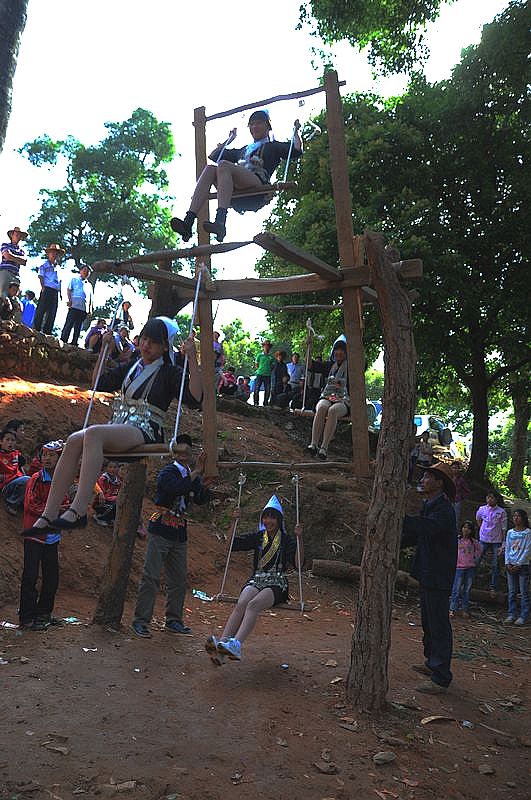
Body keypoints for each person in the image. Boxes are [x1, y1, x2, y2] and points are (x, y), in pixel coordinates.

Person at [22, 316, 202, 537]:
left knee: (94, 433)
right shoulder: (132, 366)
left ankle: (78, 510)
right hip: (121, 426)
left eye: (153, 342)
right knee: (74, 440)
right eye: (144, 339)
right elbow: (98, 382)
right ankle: (48, 514)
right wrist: (105, 349)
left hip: (146, 431)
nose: (145, 345)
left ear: (165, 347)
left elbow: (195, 397)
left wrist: (192, 357)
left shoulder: (169, 372)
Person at [171, 110, 302, 243]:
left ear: (267, 126)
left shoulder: (273, 146)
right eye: (251, 124)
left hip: (258, 189)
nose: (254, 127)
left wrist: (296, 132)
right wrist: (229, 140)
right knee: (210, 169)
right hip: (235, 194)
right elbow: (215, 155)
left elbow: (296, 150)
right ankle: (188, 222)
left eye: (258, 123)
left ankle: (220, 221)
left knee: (224, 165)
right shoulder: (243, 150)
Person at [205, 495, 303, 664]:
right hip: (257, 579)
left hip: (277, 583)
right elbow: (230, 546)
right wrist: (234, 522)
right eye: (266, 517)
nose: (268, 521)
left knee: (253, 605)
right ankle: (222, 646)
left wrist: (300, 538)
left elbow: (299, 565)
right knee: (242, 603)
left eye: (272, 517)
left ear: (279, 520)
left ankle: (236, 644)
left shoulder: (287, 540)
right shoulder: (258, 537)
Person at [132, 435, 212, 638]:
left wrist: (206, 484)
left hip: (179, 532)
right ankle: (141, 621)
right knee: (150, 576)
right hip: (161, 529)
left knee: (178, 579)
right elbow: (176, 488)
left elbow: (200, 499)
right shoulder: (168, 472)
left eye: (188, 450)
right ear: (175, 452)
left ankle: (174, 619)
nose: (185, 454)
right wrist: (196, 474)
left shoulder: (189, 474)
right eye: (181, 450)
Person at [401, 462, 457, 693]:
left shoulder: (443, 510)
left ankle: (441, 677)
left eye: (427, 476)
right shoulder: (430, 506)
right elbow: (418, 535)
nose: (422, 480)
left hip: (438, 575)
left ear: (439, 483)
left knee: (438, 623)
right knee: (428, 621)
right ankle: (432, 662)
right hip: (428, 572)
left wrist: (398, 516)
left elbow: (426, 528)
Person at [19, 441, 69, 631]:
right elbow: (31, 505)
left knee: (51, 577)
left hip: (52, 536)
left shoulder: (61, 480)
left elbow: (65, 503)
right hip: (34, 534)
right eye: (45, 455)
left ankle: (43, 613)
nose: (47, 458)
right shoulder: (35, 479)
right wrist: (54, 511)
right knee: (30, 576)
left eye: (52, 455)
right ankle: (26, 617)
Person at [307, 339, 350, 460]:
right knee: (321, 407)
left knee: (333, 411)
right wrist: (309, 348)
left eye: (342, 352)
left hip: (344, 400)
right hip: (327, 396)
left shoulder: (352, 368)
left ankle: (324, 448)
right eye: (336, 352)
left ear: (346, 353)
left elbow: (363, 363)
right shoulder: (330, 365)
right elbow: (310, 365)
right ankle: (313, 444)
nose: (339, 355)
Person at [476, 491, 507, 596]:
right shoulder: (482, 509)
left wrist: (503, 542)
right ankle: (472, 581)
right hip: (483, 538)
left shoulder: (501, 512)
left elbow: (503, 528)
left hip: (496, 540)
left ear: (496, 499)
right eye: (488, 497)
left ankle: (493, 587)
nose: (490, 500)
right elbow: (478, 520)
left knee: (495, 564)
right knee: (476, 560)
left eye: (492, 498)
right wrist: (482, 530)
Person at [503, 509, 531, 626]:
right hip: (511, 564)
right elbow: (508, 548)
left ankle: (524, 615)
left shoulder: (528, 533)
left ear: (524, 518)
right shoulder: (510, 532)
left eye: (518, 516)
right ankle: (511, 613)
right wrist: (507, 562)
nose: (516, 518)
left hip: (522, 565)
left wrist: (519, 563)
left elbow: (527, 549)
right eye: (514, 516)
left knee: (524, 592)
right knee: (512, 591)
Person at [449, 520, 481, 618]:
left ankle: (464, 609)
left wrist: (474, 560)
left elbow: (479, 551)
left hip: (470, 567)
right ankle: (452, 608)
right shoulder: (457, 540)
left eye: (468, 528)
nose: (466, 530)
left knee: (467, 589)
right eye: (464, 527)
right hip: (459, 567)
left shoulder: (474, 542)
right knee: (456, 588)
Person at [33, 243, 64, 335]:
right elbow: (41, 276)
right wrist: (43, 288)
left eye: (56, 253)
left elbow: (60, 281)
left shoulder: (58, 267)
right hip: (47, 289)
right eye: (52, 252)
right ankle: (36, 329)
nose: (54, 254)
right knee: (41, 310)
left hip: (55, 291)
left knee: (52, 312)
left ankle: (47, 332)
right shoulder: (44, 265)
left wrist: (60, 292)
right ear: (49, 253)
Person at [60, 264, 93, 346]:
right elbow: (68, 290)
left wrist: (90, 309)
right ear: (80, 271)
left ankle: (74, 342)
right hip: (74, 305)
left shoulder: (89, 285)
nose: (86, 272)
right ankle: (63, 339)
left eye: (88, 271)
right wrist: (69, 300)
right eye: (84, 270)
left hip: (83, 308)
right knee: (69, 323)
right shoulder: (74, 279)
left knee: (78, 326)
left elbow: (91, 298)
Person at [0, 428, 29, 515]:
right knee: (26, 480)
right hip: (6, 486)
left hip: (19, 483)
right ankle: (12, 503)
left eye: (13, 440)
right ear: (1, 442)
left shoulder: (16, 454)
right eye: (7, 439)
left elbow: (21, 469)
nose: (10, 442)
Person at [92, 460, 122, 527]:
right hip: (100, 503)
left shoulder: (118, 481)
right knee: (115, 503)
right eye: (110, 467)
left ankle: (110, 518)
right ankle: (99, 517)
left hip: (112, 501)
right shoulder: (103, 479)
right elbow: (104, 496)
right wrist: (116, 498)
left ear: (118, 468)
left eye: (115, 467)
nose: (112, 469)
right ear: (106, 468)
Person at [0, 226, 27, 297]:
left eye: (20, 235)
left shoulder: (22, 251)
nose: (18, 237)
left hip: (16, 275)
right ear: (12, 235)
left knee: (14, 297)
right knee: (2, 294)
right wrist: (18, 259)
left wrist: (12, 257)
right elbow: (7, 255)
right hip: (5, 272)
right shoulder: (5, 245)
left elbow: (24, 261)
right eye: (17, 234)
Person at [253, 339, 275, 406]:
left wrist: (268, 370)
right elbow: (256, 364)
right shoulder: (259, 355)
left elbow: (272, 366)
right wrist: (259, 369)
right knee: (256, 389)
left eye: (268, 345)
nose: (266, 347)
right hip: (259, 374)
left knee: (267, 390)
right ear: (263, 346)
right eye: (265, 345)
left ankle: (265, 403)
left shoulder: (271, 357)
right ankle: (256, 403)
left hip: (267, 375)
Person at [450, 460, 471, 525]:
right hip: (449, 499)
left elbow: (467, 490)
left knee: (456, 517)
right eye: (453, 468)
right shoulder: (449, 477)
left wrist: (462, 497)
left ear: (459, 469)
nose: (454, 469)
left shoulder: (461, 480)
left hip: (457, 500)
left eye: (456, 468)